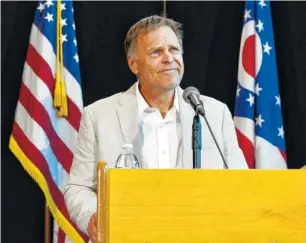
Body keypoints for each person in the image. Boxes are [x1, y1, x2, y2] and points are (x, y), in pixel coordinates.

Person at [64, 15, 248, 242]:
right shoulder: (99, 115)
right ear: (133, 64)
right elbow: (78, 187)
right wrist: (94, 216)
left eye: (174, 49)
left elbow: (241, 183)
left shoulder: (214, 113)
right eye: (156, 52)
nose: (169, 58)